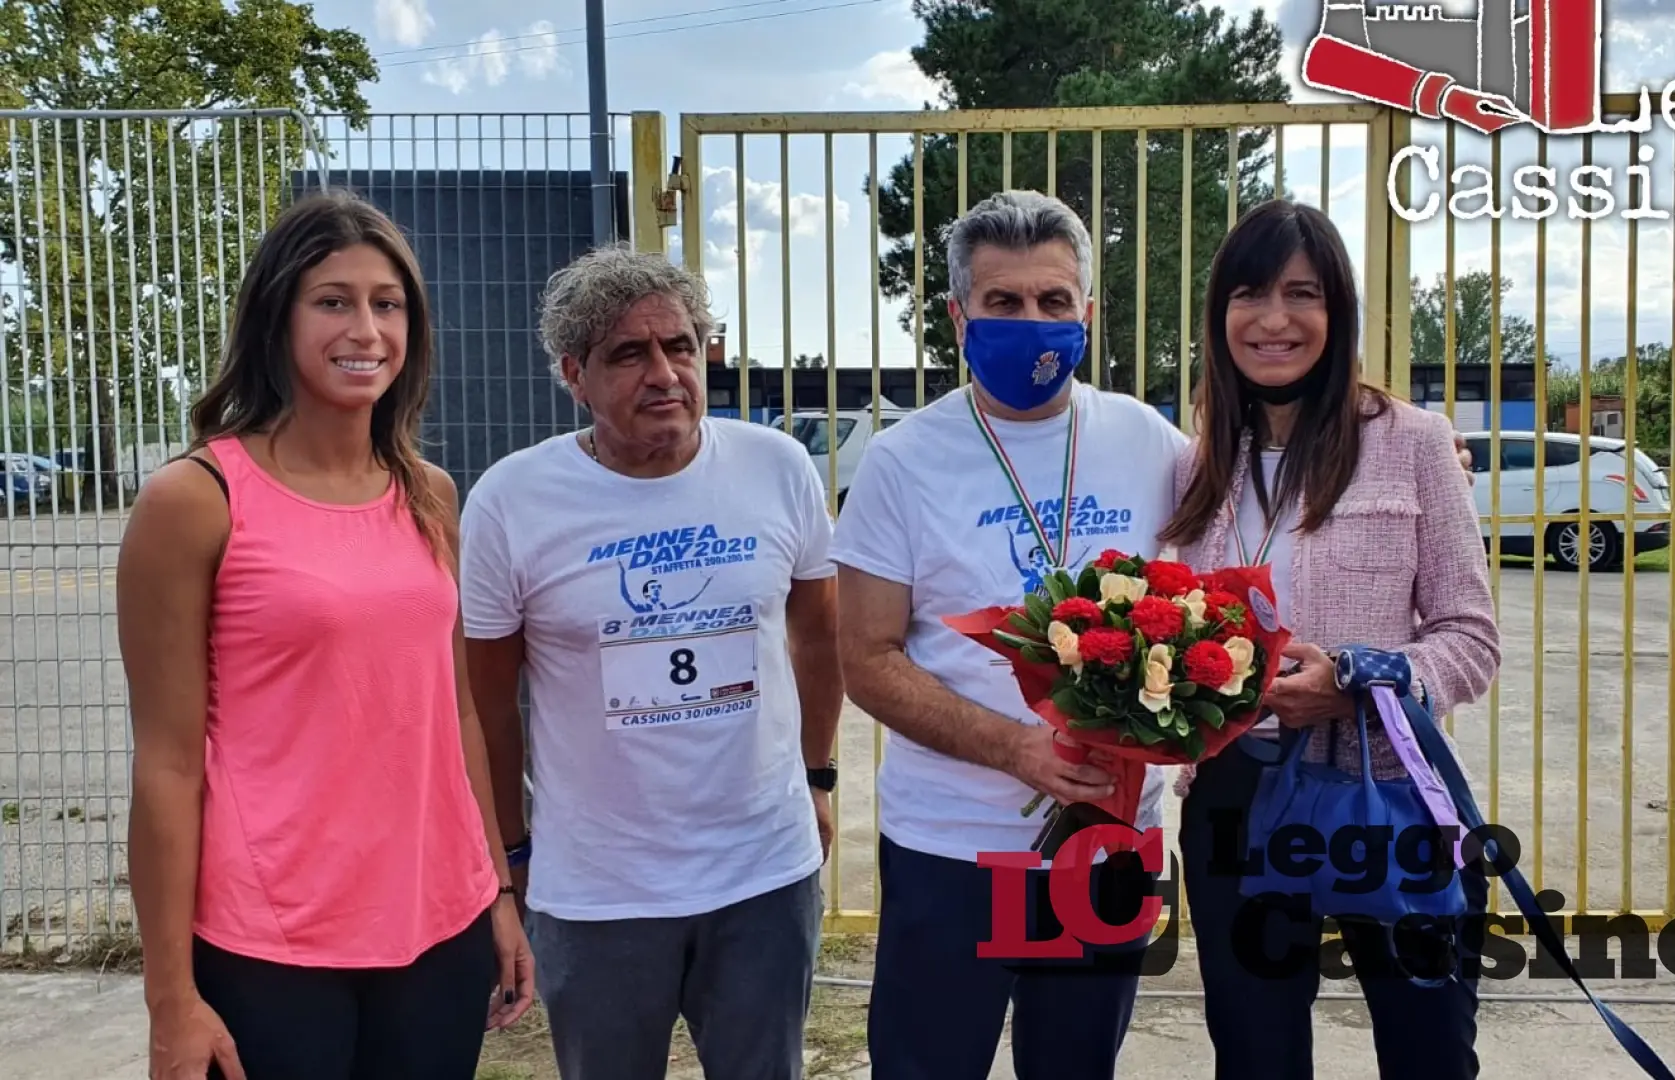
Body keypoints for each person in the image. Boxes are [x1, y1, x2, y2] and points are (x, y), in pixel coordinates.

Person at [118, 189, 535, 1080]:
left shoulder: (430, 494)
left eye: (389, 304)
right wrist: (171, 999)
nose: (367, 330)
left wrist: (498, 888)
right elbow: (167, 764)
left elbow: (458, 711)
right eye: (333, 301)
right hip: (270, 943)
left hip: (440, 924)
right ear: (277, 317)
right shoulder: (195, 500)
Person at [459, 244, 841, 1080]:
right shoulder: (511, 501)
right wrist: (511, 859)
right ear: (575, 374)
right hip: (600, 892)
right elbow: (484, 707)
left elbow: (818, 636)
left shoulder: (776, 467)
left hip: (762, 879)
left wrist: (819, 777)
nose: (665, 374)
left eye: (681, 345)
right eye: (629, 354)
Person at [830, 189, 1182, 1080]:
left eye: (1053, 300)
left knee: (1077, 1066)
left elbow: (1263, 509)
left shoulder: (1148, 442)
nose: (1032, 322)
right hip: (953, 847)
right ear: (958, 317)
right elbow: (866, 660)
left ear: (1087, 312)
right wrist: (1015, 749)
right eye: (1003, 301)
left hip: (1106, 841)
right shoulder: (902, 462)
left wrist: (1402, 445)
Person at [1158, 198, 1501, 1079]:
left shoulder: (1414, 444)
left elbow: (1471, 640)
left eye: (1301, 293)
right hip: (1236, 797)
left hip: (1383, 791)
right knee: (1256, 1054)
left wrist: (1354, 680)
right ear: (1220, 315)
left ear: (1336, 310)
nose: (1273, 319)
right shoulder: (1197, 465)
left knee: (1429, 1052)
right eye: (1249, 294)